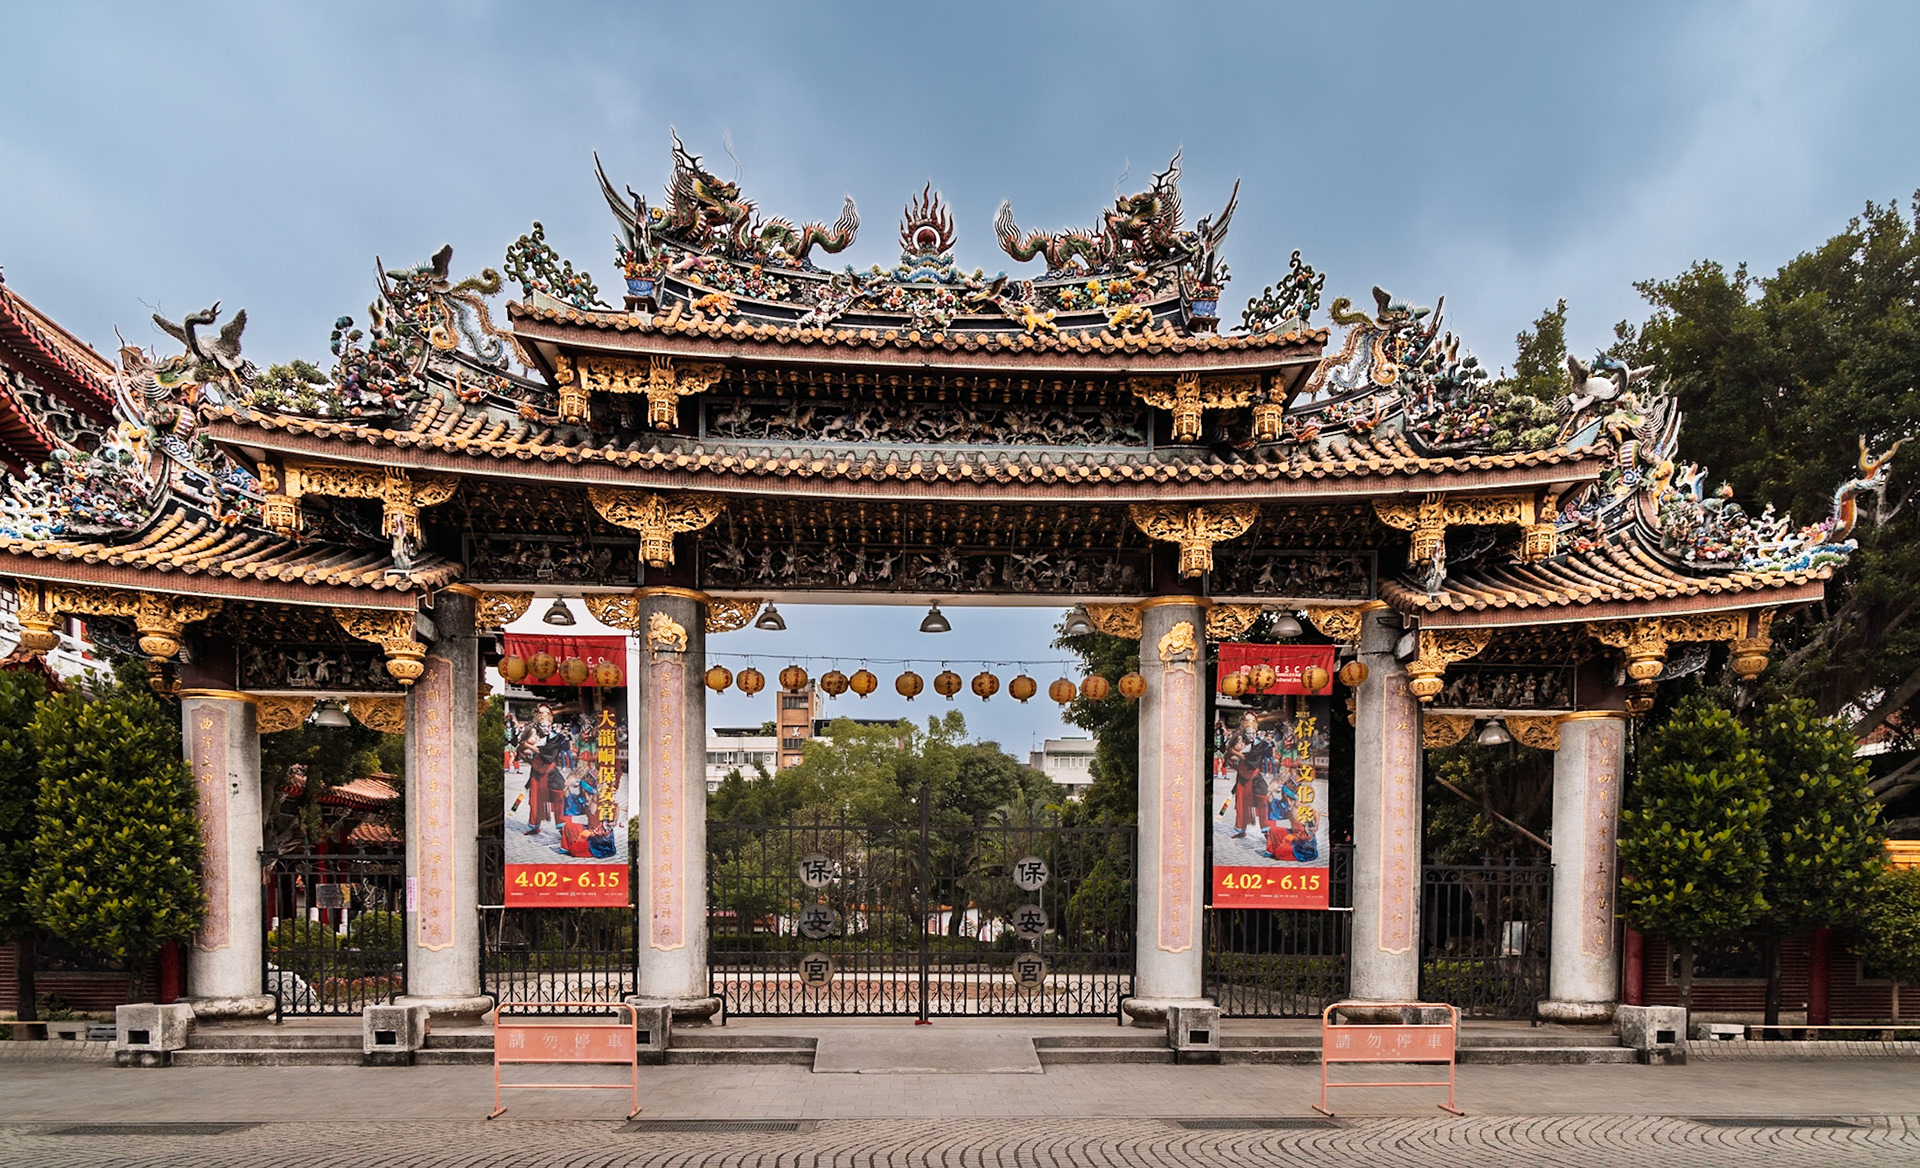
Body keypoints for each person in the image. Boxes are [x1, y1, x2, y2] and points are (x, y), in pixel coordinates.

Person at [517, 704, 572, 835]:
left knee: (560, 795)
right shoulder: (533, 734)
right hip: (536, 773)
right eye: (543, 725)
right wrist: (530, 760)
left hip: (551, 773)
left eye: (548, 725)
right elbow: (520, 750)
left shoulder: (555, 737)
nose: (546, 728)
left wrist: (527, 746)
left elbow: (547, 755)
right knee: (535, 801)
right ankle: (534, 826)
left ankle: (563, 827)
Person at [1223, 711, 1272, 838]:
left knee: (1263, 801)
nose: (1251, 735)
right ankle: (1241, 830)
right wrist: (1234, 761)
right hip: (1242, 778)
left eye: (1253, 733)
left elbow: (1253, 762)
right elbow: (1228, 756)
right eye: (1248, 732)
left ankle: (1267, 831)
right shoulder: (1239, 742)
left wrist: (1235, 752)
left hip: (1255, 778)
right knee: (1240, 805)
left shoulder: (1259, 744)